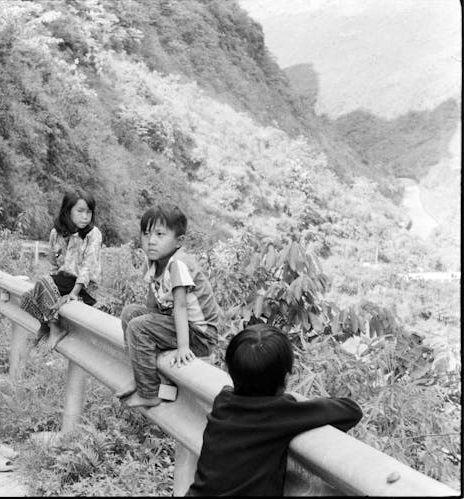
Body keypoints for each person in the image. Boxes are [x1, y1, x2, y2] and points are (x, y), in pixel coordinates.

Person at [187, 324, 363, 496]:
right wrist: (297, 400)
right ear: (286, 378)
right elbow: (351, 411)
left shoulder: (223, 401)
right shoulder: (282, 412)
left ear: (229, 371)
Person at [117, 204, 220, 408]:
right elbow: (152, 301)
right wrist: (149, 322)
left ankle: (149, 392)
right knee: (130, 314)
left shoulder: (178, 264)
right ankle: (142, 375)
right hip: (178, 324)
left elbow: (180, 307)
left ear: (179, 241)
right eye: (146, 234)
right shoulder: (153, 261)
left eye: (160, 234)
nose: (151, 241)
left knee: (138, 327)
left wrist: (182, 348)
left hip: (199, 336)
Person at [21, 189, 102, 349]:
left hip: (85, 286)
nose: (85, 217)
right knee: (27, 298)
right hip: (64, 280)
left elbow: (87, 267)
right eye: (80, 211)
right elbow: (54, 263)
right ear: (67, 211)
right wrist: (49, 289)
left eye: (89, 212)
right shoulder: (56, 233)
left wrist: (73, 293)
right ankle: (46, 324)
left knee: (44, 282)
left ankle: (56, 327)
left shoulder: (93, 234)